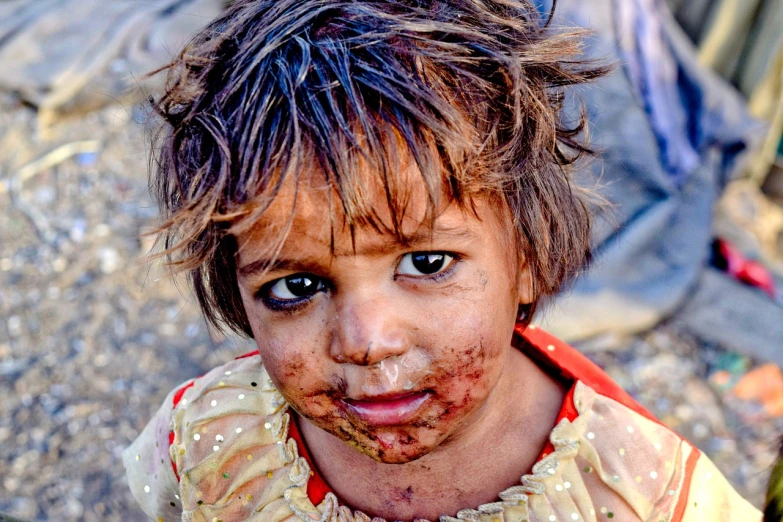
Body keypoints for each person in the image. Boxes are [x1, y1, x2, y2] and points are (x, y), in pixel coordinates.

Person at [122, 0, 761, 520]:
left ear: (529, 253)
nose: (367, 342)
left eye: (427, 264)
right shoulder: (213, 436)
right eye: (296, 285)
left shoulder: (636, 491)